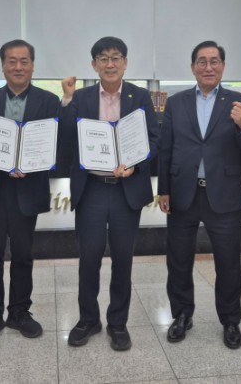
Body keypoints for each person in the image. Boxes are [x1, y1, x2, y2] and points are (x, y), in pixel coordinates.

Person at [157, 41, 241, 348]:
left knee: (228, 262)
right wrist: (163, 189)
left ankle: (230, 320)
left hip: (224, 194)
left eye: (214, 61)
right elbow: (166, 147)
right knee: (178, 260)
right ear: (193, 68)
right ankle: (181, 315)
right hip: (182, 193)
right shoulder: (176, 103)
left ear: (223, 67)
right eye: (202, 61)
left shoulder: (239, 102)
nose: (208, 67)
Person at [60, 36, 159, 351]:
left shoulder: (140, 96)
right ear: (94, 65)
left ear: (125, 63)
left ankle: (118, 323)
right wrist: (66, 100)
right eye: (103, 58)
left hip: (125, 190)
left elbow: (154, 139)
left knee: (122, 259)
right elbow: (66, 138)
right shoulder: (81, 97)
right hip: (91, 189)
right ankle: (88, 319)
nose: (110, 64)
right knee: (89, 258)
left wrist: (135, 164)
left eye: (116, 57)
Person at [0, 39, 59, 346]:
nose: (18, 67)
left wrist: (33, 165)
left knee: (23, 255)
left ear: (33, 65)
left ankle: (19, 311)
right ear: (3, 66)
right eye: (12, 61)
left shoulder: (49, 100)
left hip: (27, 189)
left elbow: (56, 144)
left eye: (24, 61)